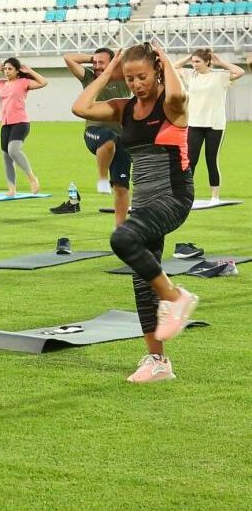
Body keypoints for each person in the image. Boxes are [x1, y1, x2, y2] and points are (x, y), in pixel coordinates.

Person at [72, 43, 198, 383]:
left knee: (123, 236)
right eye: (129, 78)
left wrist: (167, 61)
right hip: (145, 202)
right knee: (141, 281)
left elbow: (179, 95)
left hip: (173, 196)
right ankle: (158, 362)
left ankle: (175, 296)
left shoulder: (171, 104)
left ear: (156, 71)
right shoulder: (124, 109)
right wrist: (109, 73)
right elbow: (80, 107)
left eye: (141, 76)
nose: (136, 84)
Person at [62, 48, 132, 224]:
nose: (97, 66)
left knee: (122, 186)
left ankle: (121, 228)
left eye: (102, 63)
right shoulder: (89, 77)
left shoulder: (123, 79)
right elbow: (68, 57)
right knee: (107, 137)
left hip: (121, 137)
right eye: (95, 63)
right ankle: (102, 178)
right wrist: (93, 58)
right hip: (94, 132)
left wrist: (118, 59)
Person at [173, 49, 244, 203]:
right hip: (194, 125)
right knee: (191, 160)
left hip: (215, 125)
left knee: (211, 160)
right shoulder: (190, 75)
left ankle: (215, 197)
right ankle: (186, 196)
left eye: (197, 61)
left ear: (207, 62)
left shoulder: (220, 76)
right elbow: (172, 68)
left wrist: (221, 62)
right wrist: (187, 58)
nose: (194, 64)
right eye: (193, 61)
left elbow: (240, 72)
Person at [0, 57, 46, 196]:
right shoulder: (0, 84)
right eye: (5, 69)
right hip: (6, 124)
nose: (7, 72)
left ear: (17, 70)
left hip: (21, 122)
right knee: (6, 157)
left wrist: (30, 71)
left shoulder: (23, 82)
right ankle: (12, 189)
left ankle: (32, 179)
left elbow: (43, 82)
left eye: (10, 69)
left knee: (13, 150)